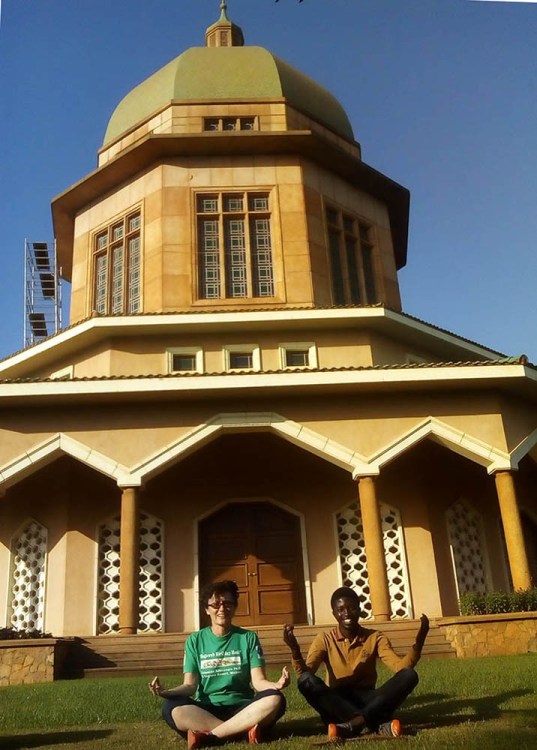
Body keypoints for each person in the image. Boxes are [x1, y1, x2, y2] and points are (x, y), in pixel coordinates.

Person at [149, 580, 289, 749]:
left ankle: (211, 736)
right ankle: (242, 730)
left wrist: (276, 685)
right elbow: (190, 685)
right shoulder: (195, 641)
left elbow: (258, 681)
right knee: (171, 707)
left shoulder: (248, 638)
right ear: (207, 609)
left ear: (235, 607)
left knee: (275, 699)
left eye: (228, 603)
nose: (222, 609)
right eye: (216, 604)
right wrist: (167, 692)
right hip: (207, 709)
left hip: (242, 707)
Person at [283, 586, 429, 741]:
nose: (346, 614)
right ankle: (375, 723)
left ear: (360, 610)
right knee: (306, 681)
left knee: (409, 675)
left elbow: (400, 668)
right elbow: (306, 673)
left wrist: (418, 644)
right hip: (338, 702)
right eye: (341, 609)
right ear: (334, 613)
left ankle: (353, 725)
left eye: (352, 608)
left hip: (368, 697)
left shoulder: (375, 637)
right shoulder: (324, 639)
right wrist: (295, 650)